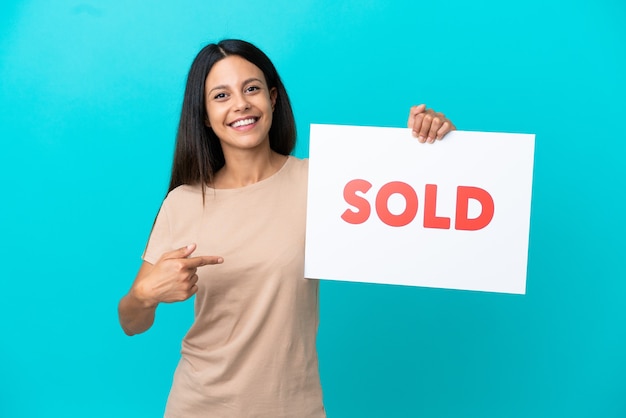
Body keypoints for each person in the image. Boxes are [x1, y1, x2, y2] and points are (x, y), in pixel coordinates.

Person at [118, 39, 455, 418]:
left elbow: (419, 209)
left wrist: (434, 145)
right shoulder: (182, 202)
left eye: (251, 88)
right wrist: (145, 294)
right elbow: (132, 322)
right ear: (204, 115)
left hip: (296, 408)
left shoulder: (326, 184)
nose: (241, 103)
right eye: (221, 95)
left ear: (273, 98)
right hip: (198, 406)